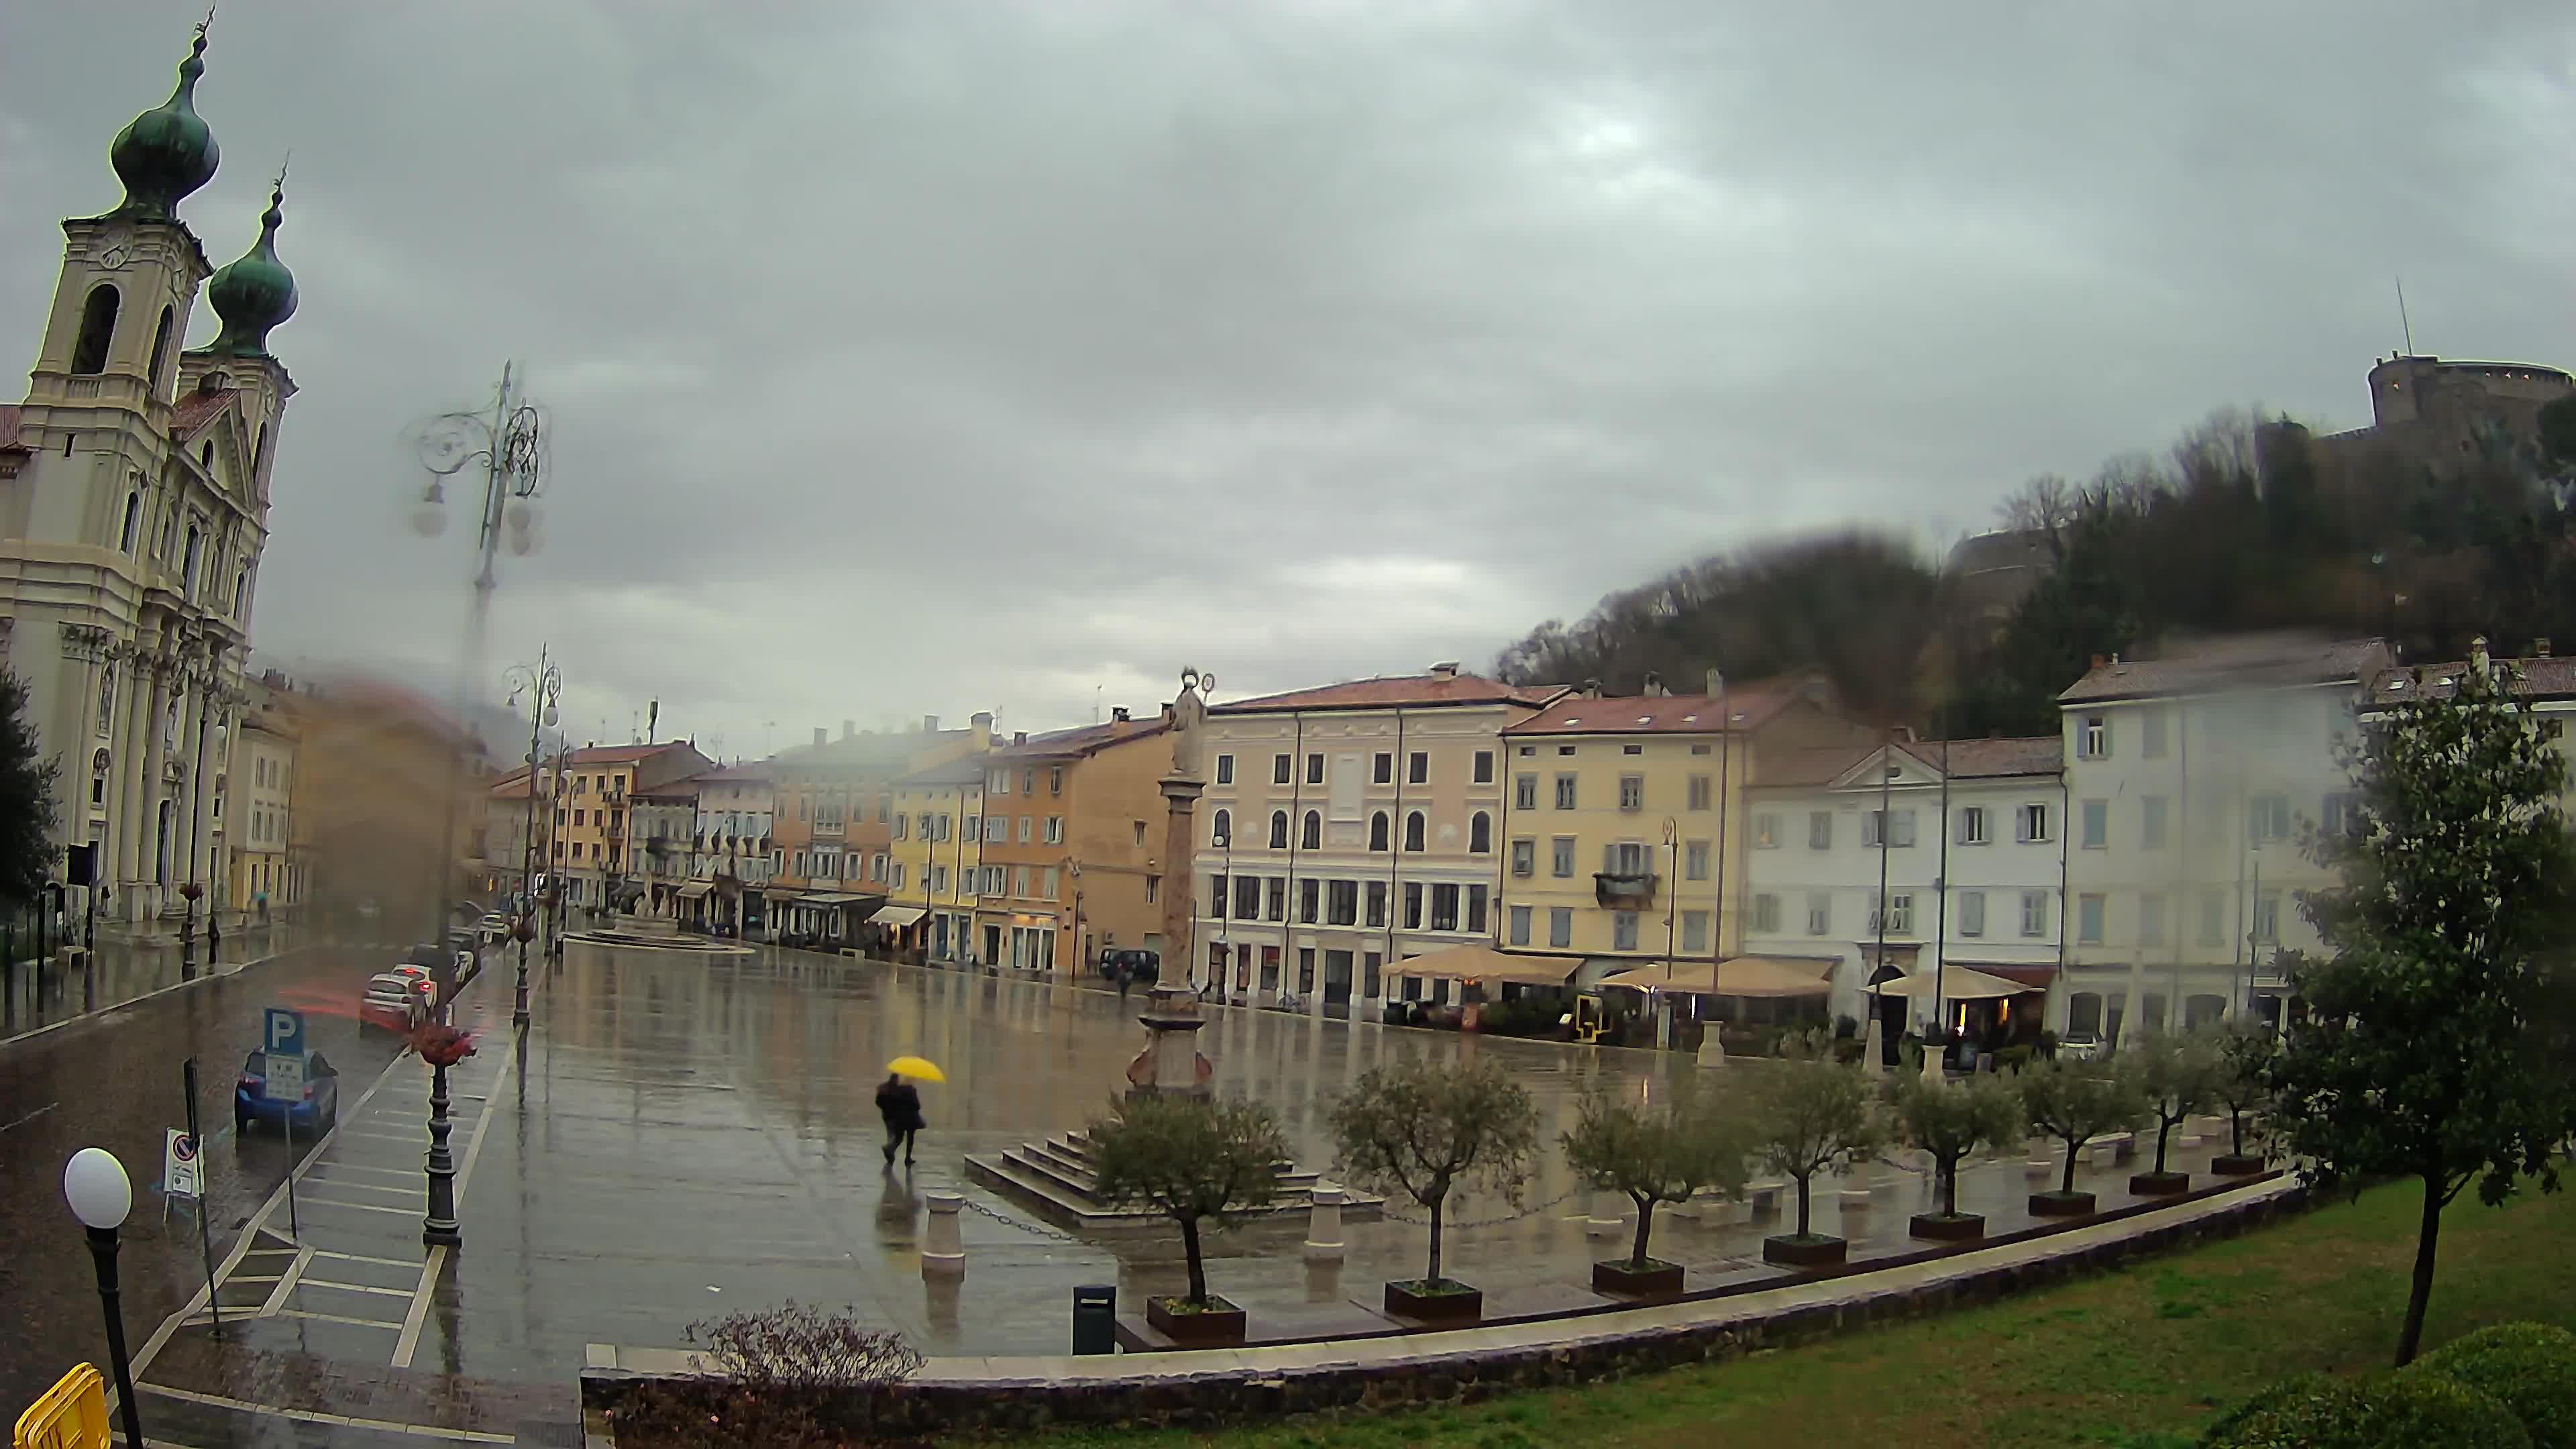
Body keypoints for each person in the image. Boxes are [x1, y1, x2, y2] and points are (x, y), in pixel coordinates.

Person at [875, 1072, 924, 1168]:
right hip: (911, 1119)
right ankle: (907, 1158)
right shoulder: (912, 1090)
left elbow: (895, 1103)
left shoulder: (899, 1089)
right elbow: (917, 1105)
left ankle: (890, 1149)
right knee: (910, 1139)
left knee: (899, 1138)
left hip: (899, 1119)